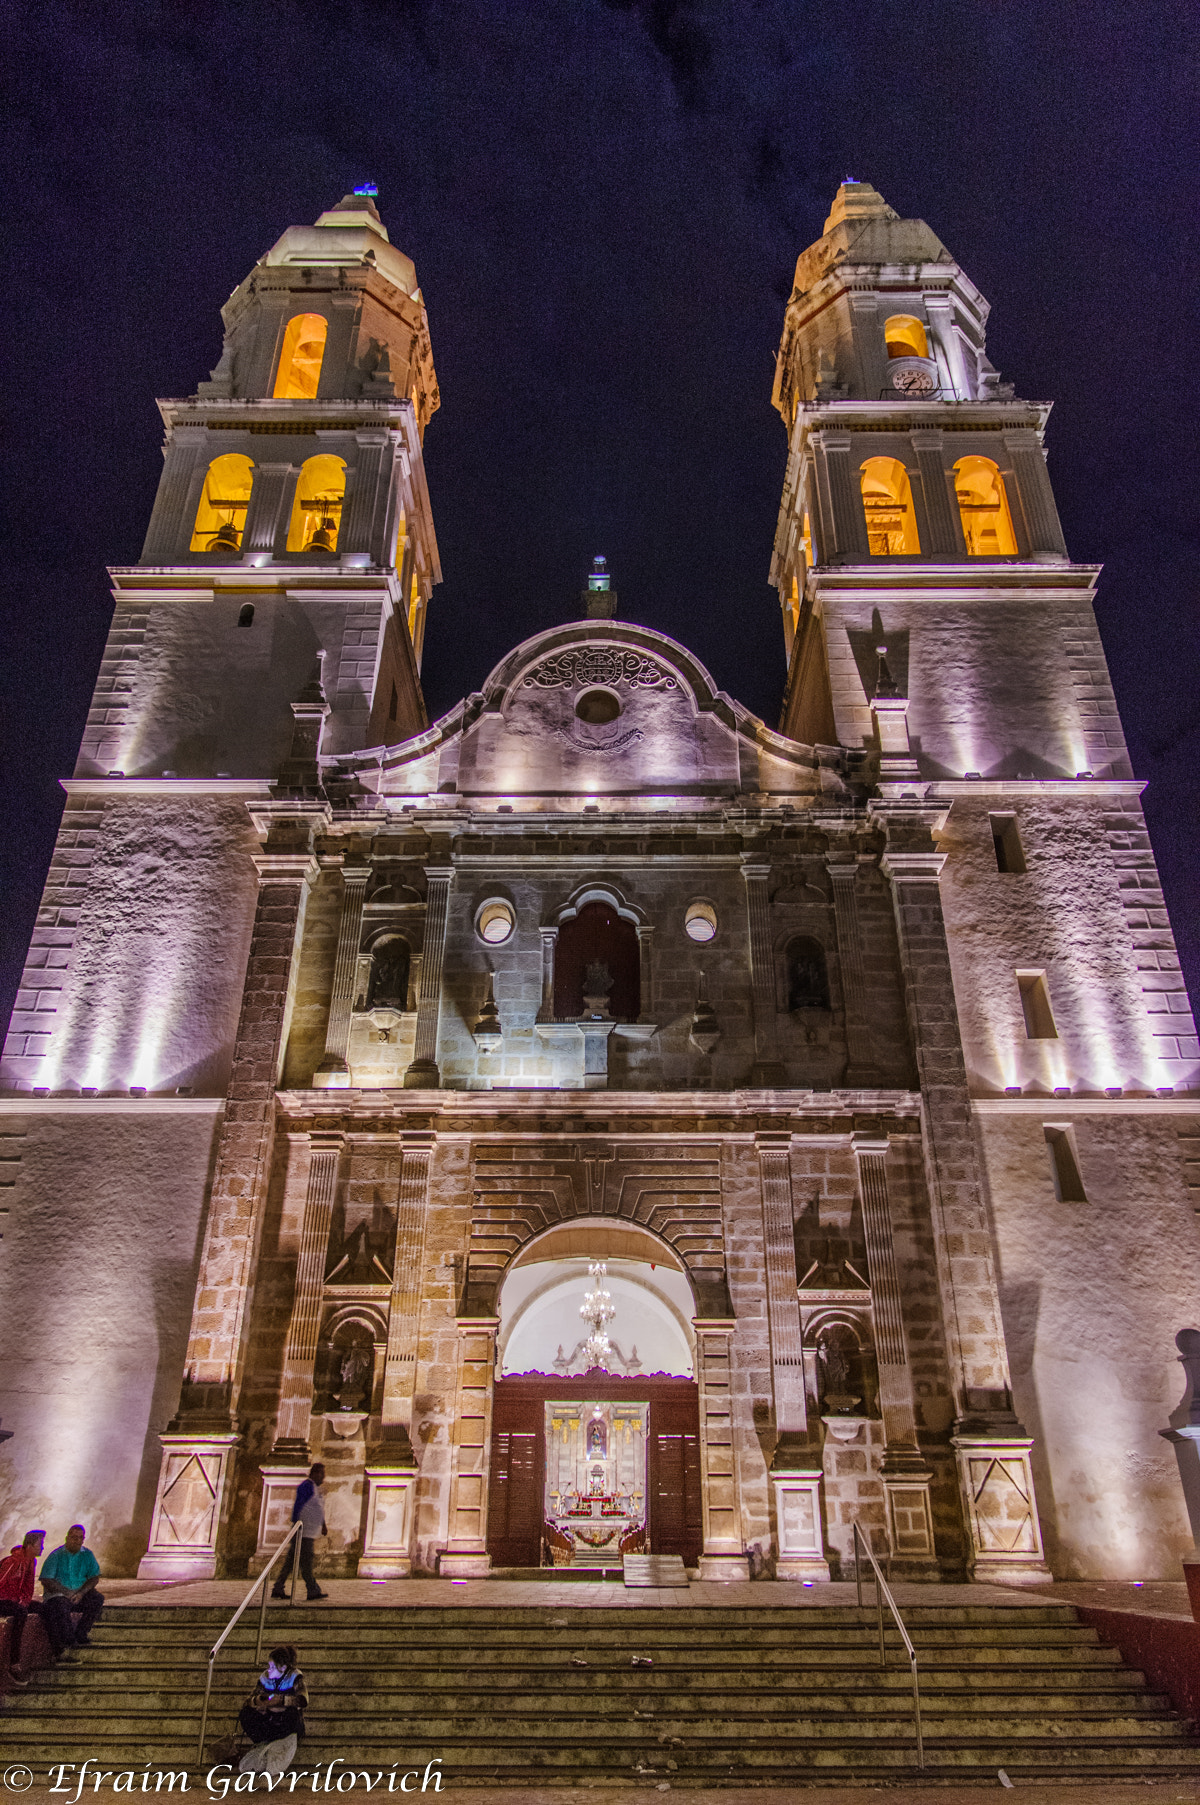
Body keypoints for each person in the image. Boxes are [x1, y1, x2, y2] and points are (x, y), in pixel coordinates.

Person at [238, 1643, 308, 1774]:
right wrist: (257, 1702)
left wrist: (281, 1701)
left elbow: (303, 1700)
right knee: (246, 1713)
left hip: (286, 1723)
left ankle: (283, 1741)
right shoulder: (265, 1678)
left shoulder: (294, 1677)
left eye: (272, 1667)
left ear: (283, 1667)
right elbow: (249, 1699)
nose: (269, 1670)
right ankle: (262, 1741)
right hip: (269, 1720)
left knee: (292, 1713)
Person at [39, 1524, 104, 1655]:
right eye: (74, 1537)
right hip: (59, 1594)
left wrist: (81, 1593)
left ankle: (81, 1633)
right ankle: (68, 1641)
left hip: (79, 1593)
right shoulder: (56, 1555)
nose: (77, 1541)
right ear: (67, 1538)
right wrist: (67, 1593)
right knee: (60, 1606)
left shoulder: (87, 1554)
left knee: (97, 1599)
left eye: (80, 1538)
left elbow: (94, 1577)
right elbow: (46, 1579)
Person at [272, 1464, 328, 1602]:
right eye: (321, 1473)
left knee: (292, 1561)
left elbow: (317, 1509)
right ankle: (312, 1589)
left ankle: (278, 1587)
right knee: (306, 1561)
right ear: (315, 1473)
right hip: (303, 1532)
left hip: (308, 1532)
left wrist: (323, 1524)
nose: (323, 1477)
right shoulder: (306, 1486)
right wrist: (296, 1525)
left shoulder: (315, 1488)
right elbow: (299, 1505)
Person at [0, 1530, 46, 1683]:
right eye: (40, 1544)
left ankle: (55, 1651)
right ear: (30, 1545)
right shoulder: (13, 1561)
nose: (42, 1547)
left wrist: (24, 1602)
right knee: (20, 1613)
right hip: (3, 1600)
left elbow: (28, 1588)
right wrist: (18, 1603)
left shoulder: (31, 1561)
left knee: (43, 1608)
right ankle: (14, 1663)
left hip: (15, 1601)